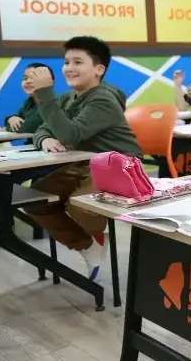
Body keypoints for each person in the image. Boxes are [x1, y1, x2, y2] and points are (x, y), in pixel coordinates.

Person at [23, 36, 142, 281]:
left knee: (79, 204)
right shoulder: (68, 98)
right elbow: (44, 129)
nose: (69, 67)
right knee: (33, 198)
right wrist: (45, 140)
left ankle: (94, 235)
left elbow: (69, 133)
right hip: (84, 164)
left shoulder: (104, 99)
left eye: (78, 61)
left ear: (99, 70)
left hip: (121, 166)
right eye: (66, 61)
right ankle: (87, 245)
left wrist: (44, 93)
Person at [5, 63, 52, 134]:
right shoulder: (29, 102)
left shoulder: (50, 104)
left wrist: (13, 125)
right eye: (25, 78)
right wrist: (11, 119)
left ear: (50, 81)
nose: (28, 81)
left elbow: (26, 128)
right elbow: (15, 119)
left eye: (33, 78)